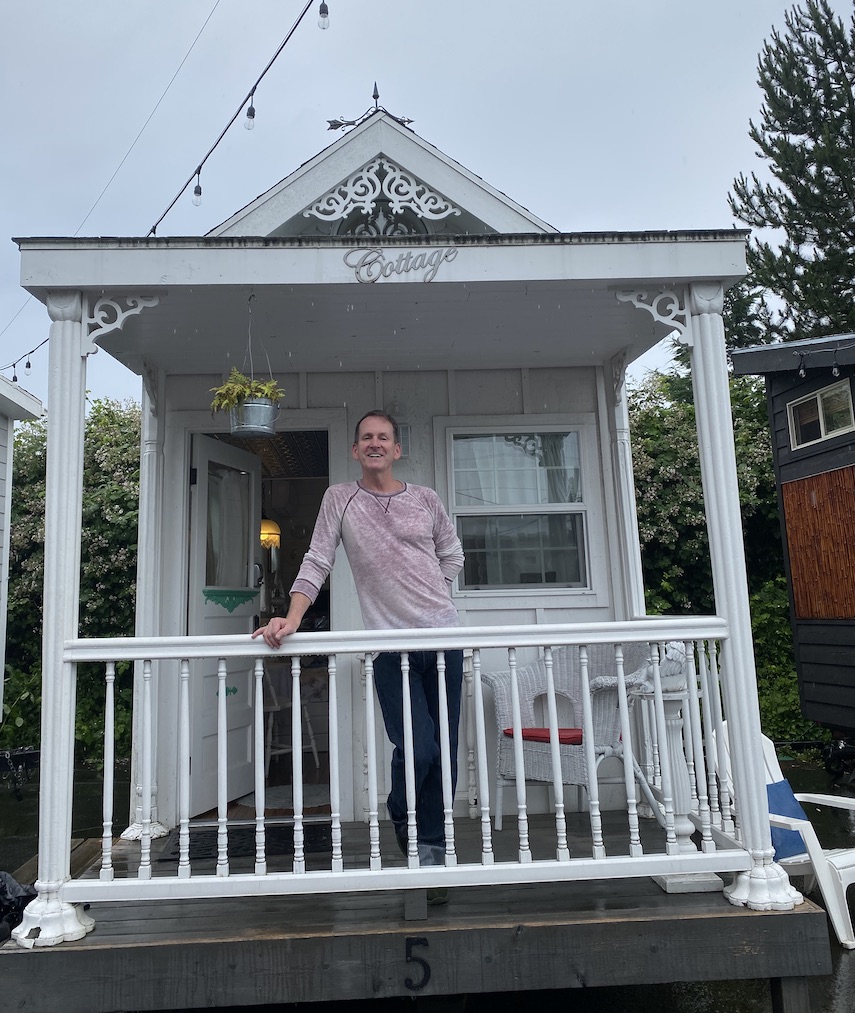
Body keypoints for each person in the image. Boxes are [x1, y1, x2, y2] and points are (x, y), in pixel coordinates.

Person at [253, 409, 465, 878]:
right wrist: (290, 619)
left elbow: (452, 554)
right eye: (366, 437)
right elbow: (316, 561)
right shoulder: (340, 499)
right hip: (392, 649)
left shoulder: (426, 500)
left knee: (444, 753)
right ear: (355, 449)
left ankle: (432, 852)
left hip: (445, 639)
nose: (375, 443)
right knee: (419, 748)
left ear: (396, 449)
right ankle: (406, 824)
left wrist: (428, 592)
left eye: (384, 437)